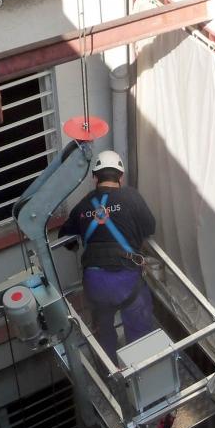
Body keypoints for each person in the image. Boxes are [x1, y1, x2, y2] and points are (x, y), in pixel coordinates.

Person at [60, 150, 156, 363]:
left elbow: (65, 235)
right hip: (126, 279)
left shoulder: (84, 205)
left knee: (103, 334)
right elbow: (150, 226)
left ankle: (110, 376)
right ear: (121, 177)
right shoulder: (131, 196)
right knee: (139, 332)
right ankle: (141, 374)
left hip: (95, 282)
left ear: (95, 177)